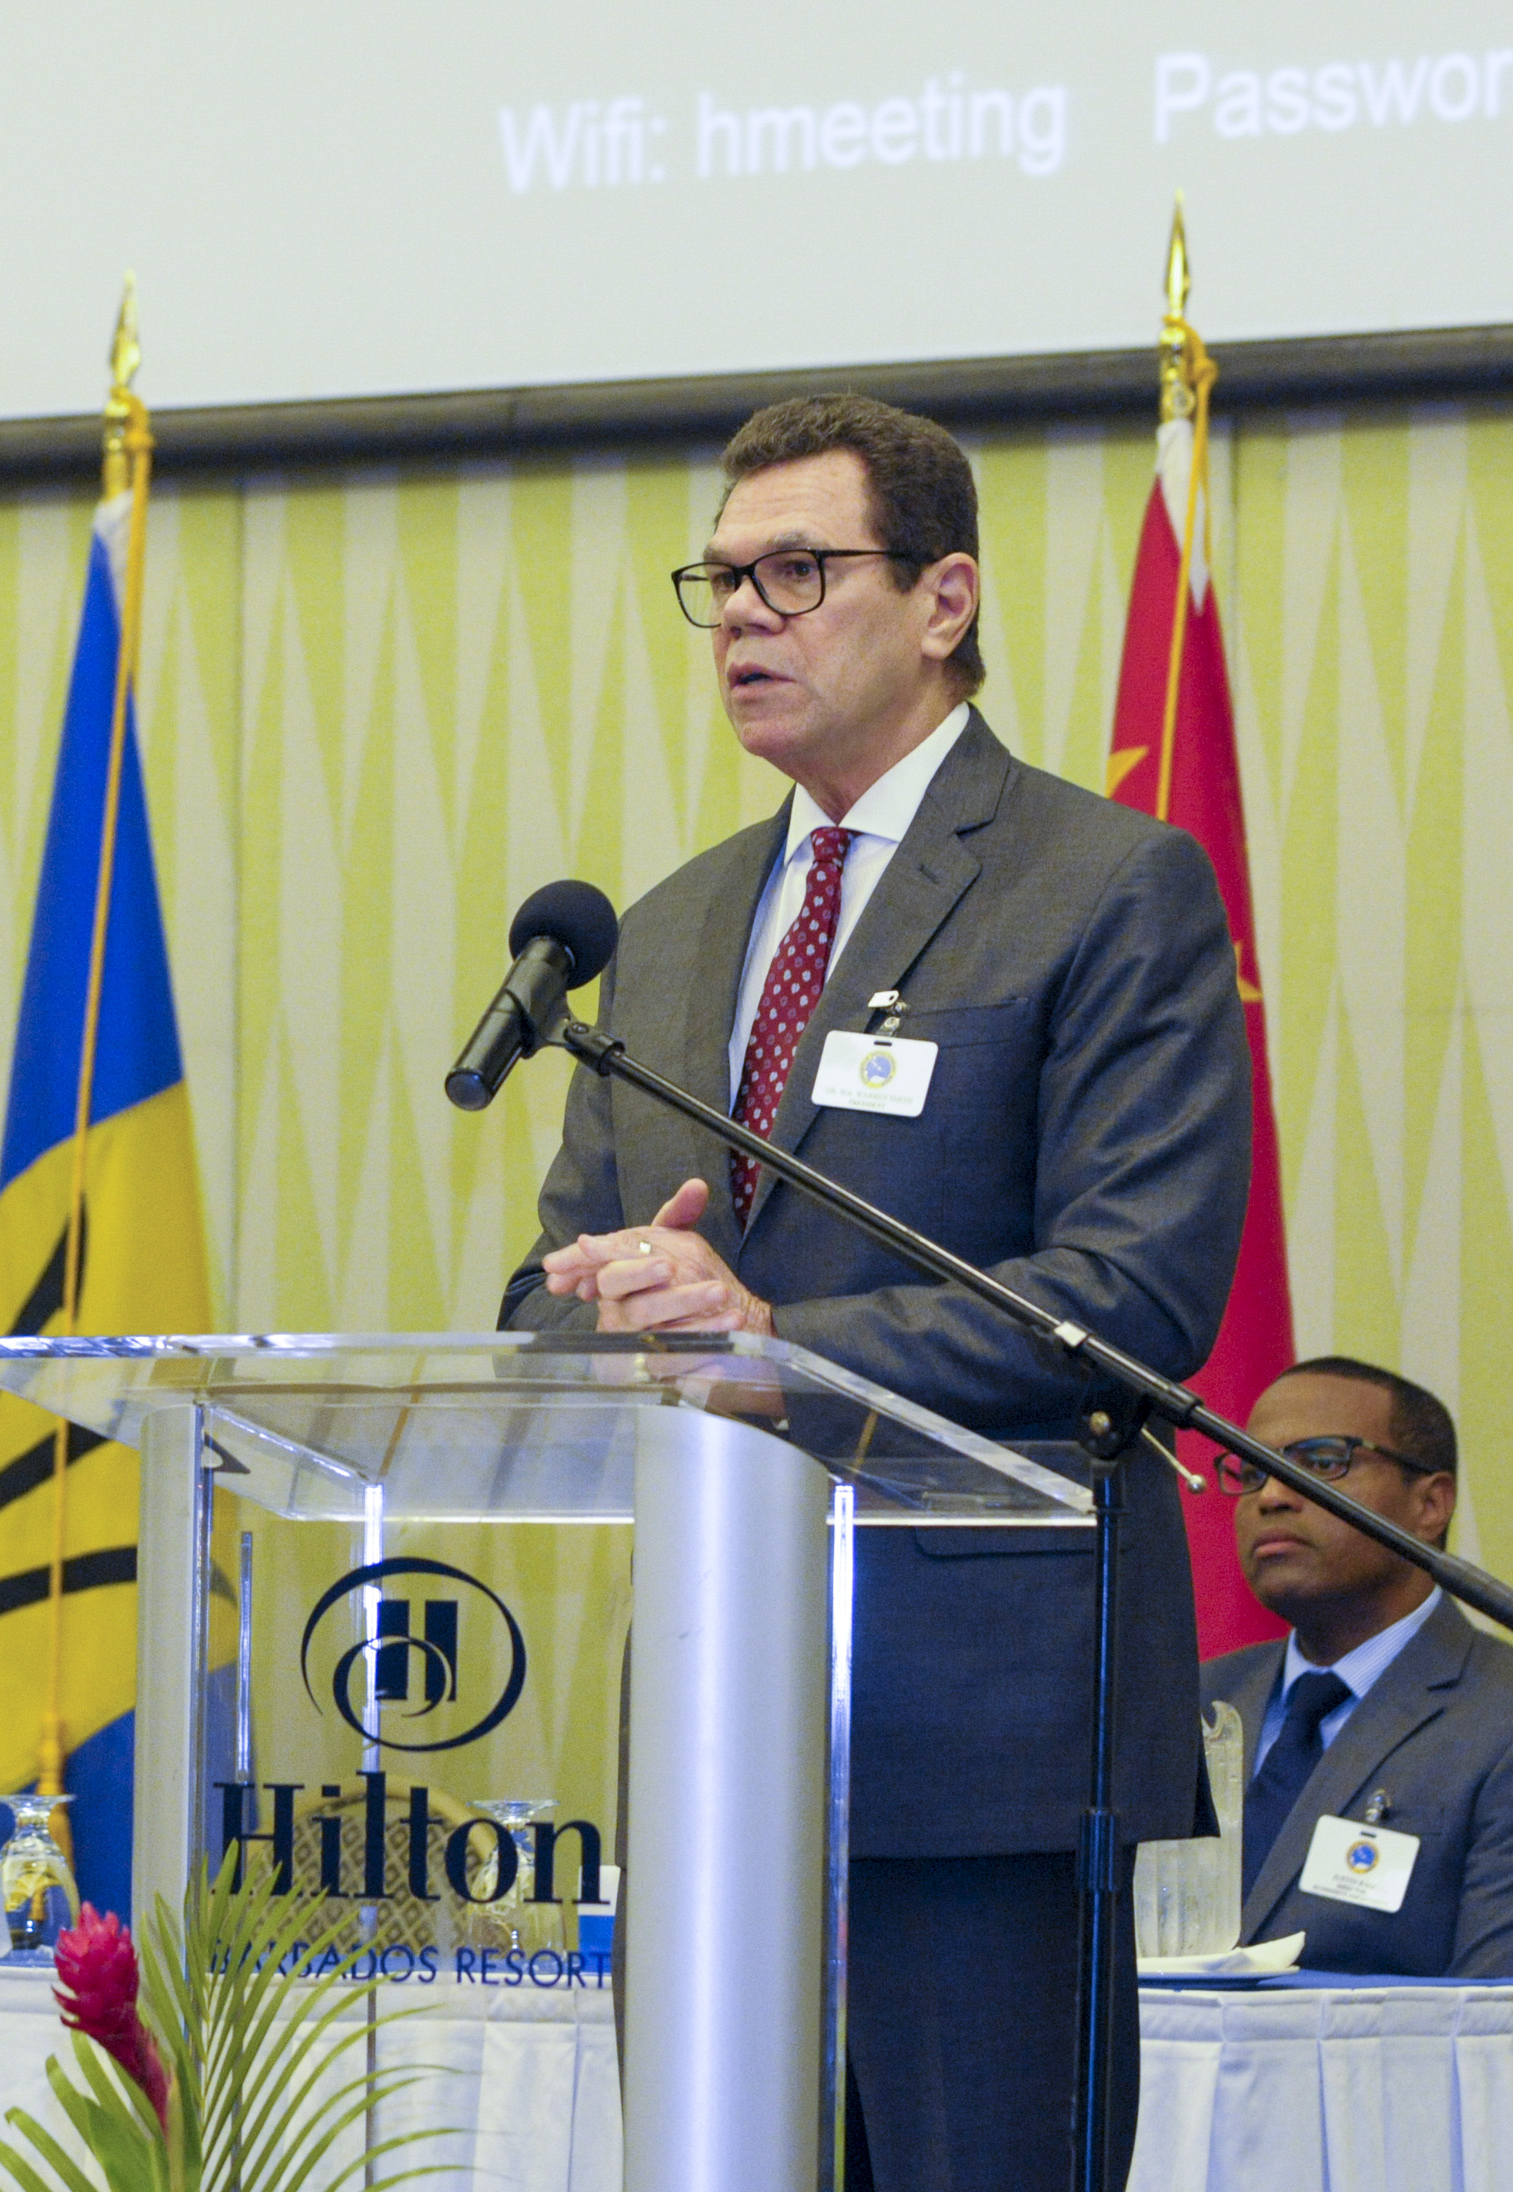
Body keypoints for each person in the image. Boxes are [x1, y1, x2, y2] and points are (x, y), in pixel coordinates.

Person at [501, 394, 1250, 2192]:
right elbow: (538, 1313)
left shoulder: (1102, 888)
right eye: (723, 580)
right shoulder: (669, 931)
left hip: (986, 1735)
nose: (746, 615)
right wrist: (616, 1308)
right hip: (709, 1722)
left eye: (798, 571)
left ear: (942, 600)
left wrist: (771, 1346)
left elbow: (1130, 1295)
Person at [1205, 1356, 1513, 1977]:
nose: (1271, 1496)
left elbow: (1507, 2037)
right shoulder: (1186, 1704)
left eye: (1322, 1462)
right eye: (1250, 1470)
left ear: (1430, 1504)